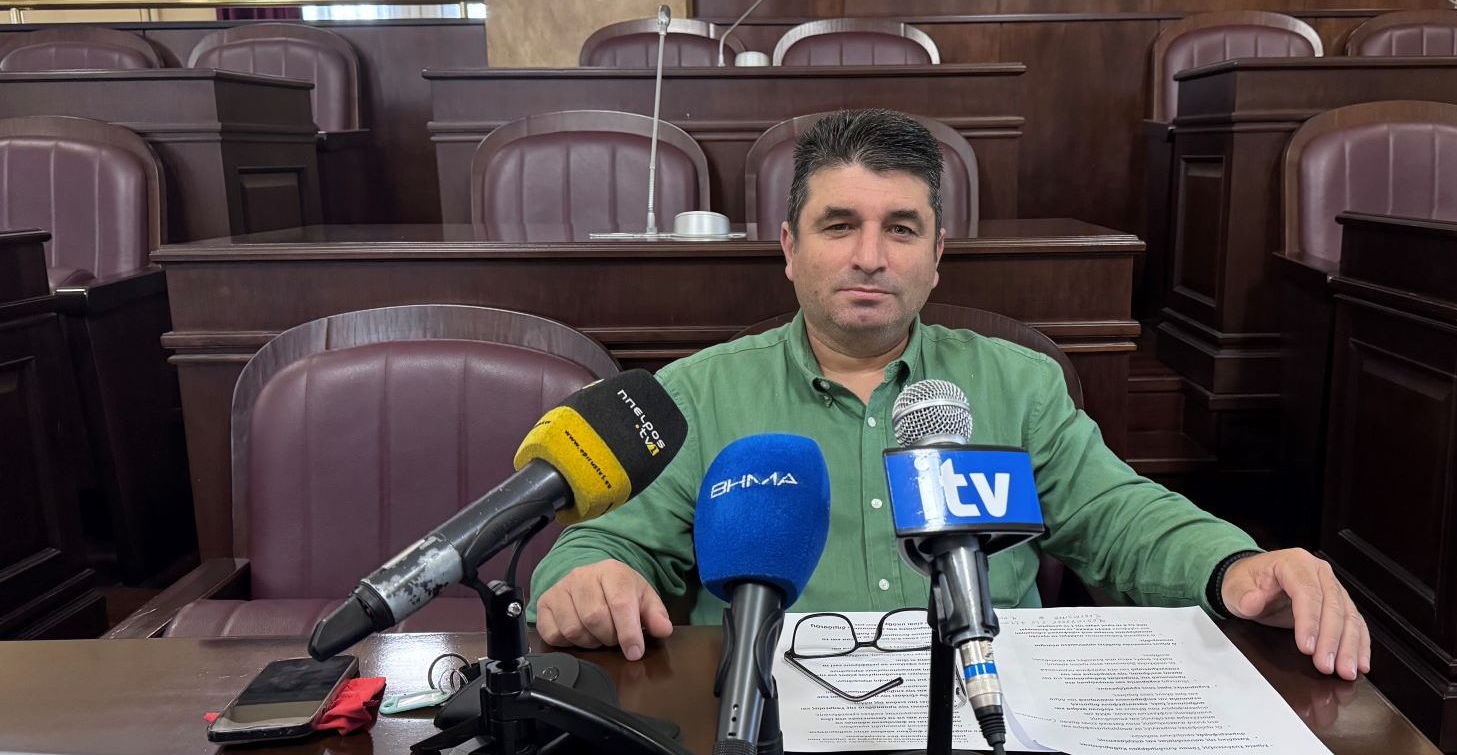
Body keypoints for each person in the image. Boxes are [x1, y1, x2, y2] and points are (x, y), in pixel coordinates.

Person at [530, 109, 1370, 681]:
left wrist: (1234, 565)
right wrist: (589, 579)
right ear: (788, 248)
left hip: (989, 713)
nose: (870, 256)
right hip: (770, 719)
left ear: (937, 257)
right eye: (839, 225)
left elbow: (1119, 515)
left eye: (900, 229)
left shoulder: (1017, 384)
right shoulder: (697, 394)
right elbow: (600, 548)